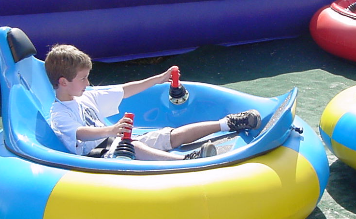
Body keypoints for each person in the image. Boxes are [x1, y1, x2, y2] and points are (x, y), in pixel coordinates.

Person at [44, 44, 262, 161]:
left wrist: (158, 79)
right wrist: (112, 129)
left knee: (171, 135)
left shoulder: (86, 95)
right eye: (83, 78)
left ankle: (227, 123)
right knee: (131, 144)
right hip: (99, 156)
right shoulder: (59, 113)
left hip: (116, 142)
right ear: (63, 82)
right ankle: (185, 163)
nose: (88, 82)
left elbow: (124, 89)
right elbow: (80, 133)